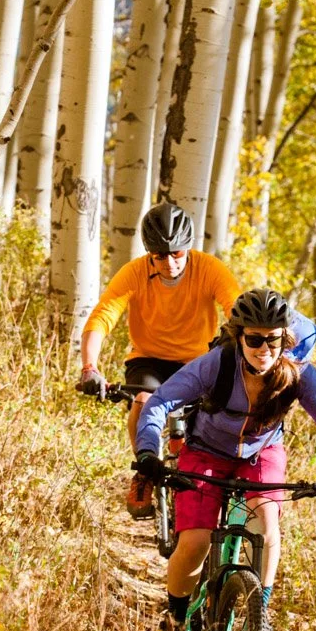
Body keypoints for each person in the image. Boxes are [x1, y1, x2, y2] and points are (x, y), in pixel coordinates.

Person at [133, 288, 316, 631]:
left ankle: (258, 616)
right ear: (239, 337)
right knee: (195, 541)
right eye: (254, 340)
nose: (264, 349)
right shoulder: (217, 364)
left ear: (285, 339)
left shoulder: (298, 372)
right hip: (205, 451)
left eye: (273, 340)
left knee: (266, 525)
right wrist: (147, 452)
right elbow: (160, 402)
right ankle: (174, 622)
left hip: (261, 453)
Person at [75, 202, 241, 516]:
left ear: (187, 247)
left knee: (207, 419)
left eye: (176, 253)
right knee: (143, 400)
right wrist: (89, 367)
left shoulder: (209, 268)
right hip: (148, 359)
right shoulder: (135, 272)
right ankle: (145, 471)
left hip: (196, 360)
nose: (169, 263)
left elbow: (236, 308)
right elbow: (102, 317)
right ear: (149, 254)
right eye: (159, 256)